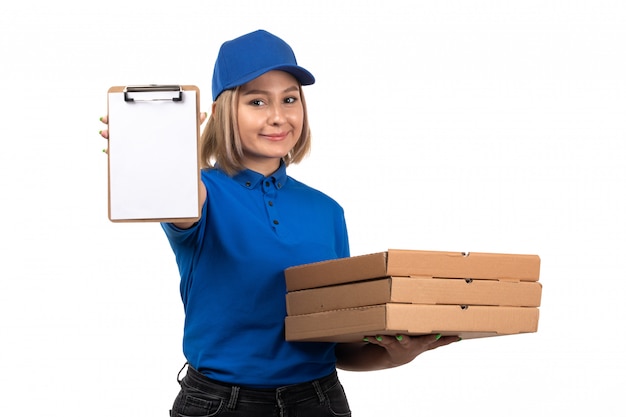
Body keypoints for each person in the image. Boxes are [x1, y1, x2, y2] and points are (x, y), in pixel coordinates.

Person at [99, 29, 459, 417]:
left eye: (289, 99)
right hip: (220, 406)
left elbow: (337, 345)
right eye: (257, 101)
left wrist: (394, 355)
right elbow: (178, 199)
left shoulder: (327, 211)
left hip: (320, 403)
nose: (278, 116)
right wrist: (157, 153)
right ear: (221, 113)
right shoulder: (200, 192)